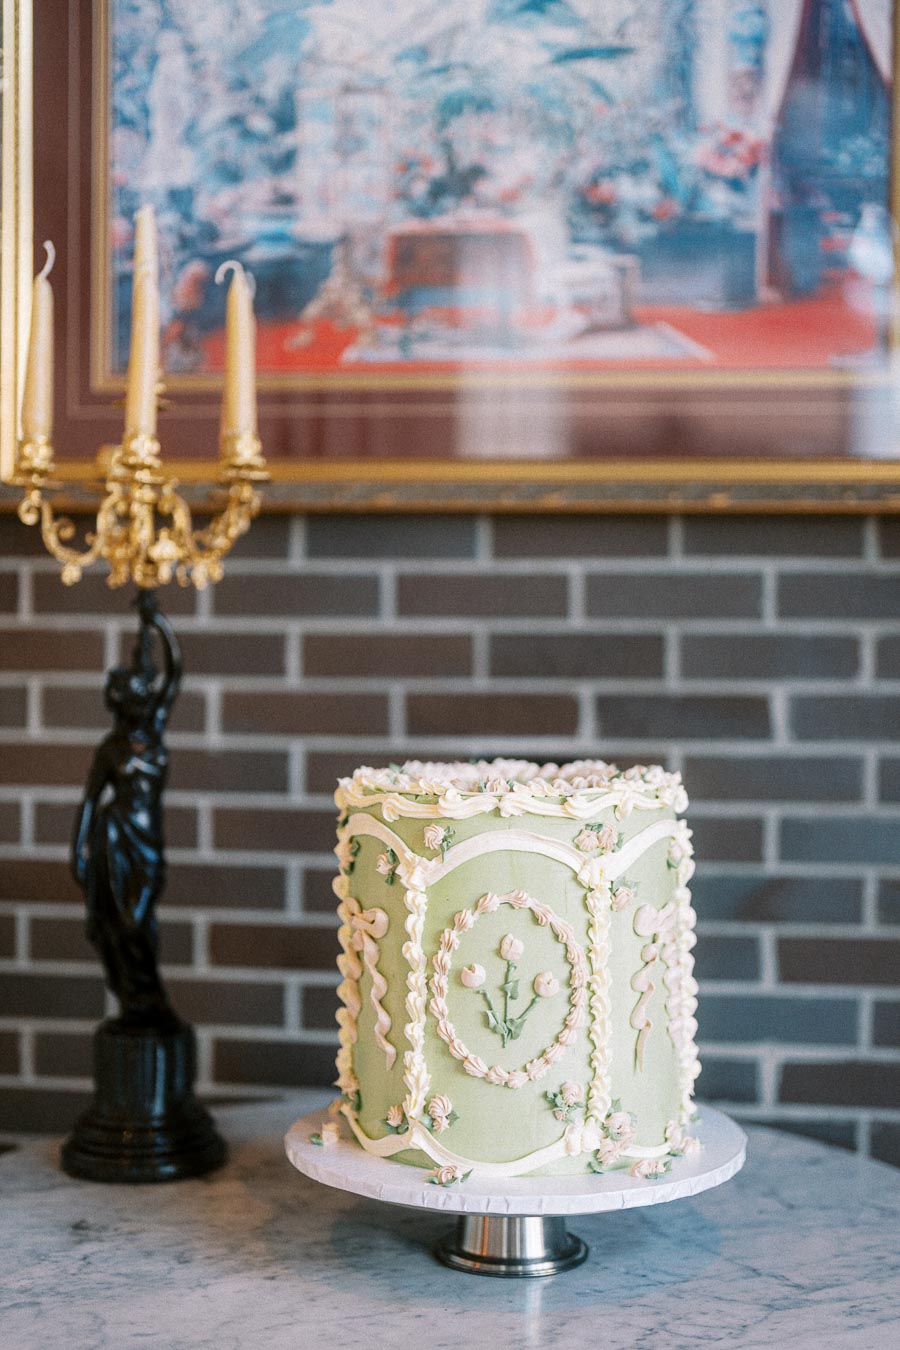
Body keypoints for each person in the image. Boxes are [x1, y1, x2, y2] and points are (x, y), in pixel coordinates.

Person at [71, 590, 181, 1025]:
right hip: (115, 839)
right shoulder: (111, 749)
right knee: (123, 926)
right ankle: (136, 1002)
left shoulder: (154, 730)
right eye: (136, 689)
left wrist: (157, 624)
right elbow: (89, 801)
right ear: (125, 701)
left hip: (148, 843)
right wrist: (76, 851)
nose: (144, 690)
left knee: (142, 923)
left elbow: (175, 672)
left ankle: (148, 999)